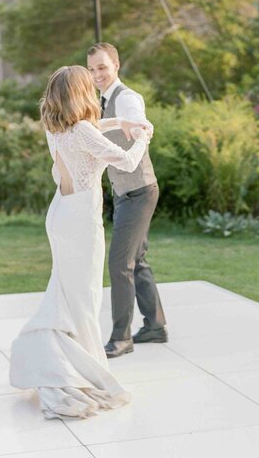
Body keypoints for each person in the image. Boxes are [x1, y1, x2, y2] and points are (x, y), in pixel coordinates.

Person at [9, 65, 152, 419]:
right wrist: (143, 136)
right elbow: (127, 160)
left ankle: (62, 357)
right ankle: (91, 370)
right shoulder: (82, 130)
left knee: (66, 292)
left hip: (59, 213)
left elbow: (89, 131)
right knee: (85, 296)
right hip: (80, 222)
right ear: (80, 94)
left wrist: (119, 123)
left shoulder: (55, 127)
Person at [86, 43, 167, 359]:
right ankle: (155, 326)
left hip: (139, 191)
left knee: (120, 263)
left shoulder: (128, 98)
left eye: (102, 67)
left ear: (116, 65)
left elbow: (136, 120)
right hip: (124, 193)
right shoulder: (99, 102)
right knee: (137, 259)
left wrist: (138, 128)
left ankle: (121, 338)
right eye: (92, 69)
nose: (97, 75)